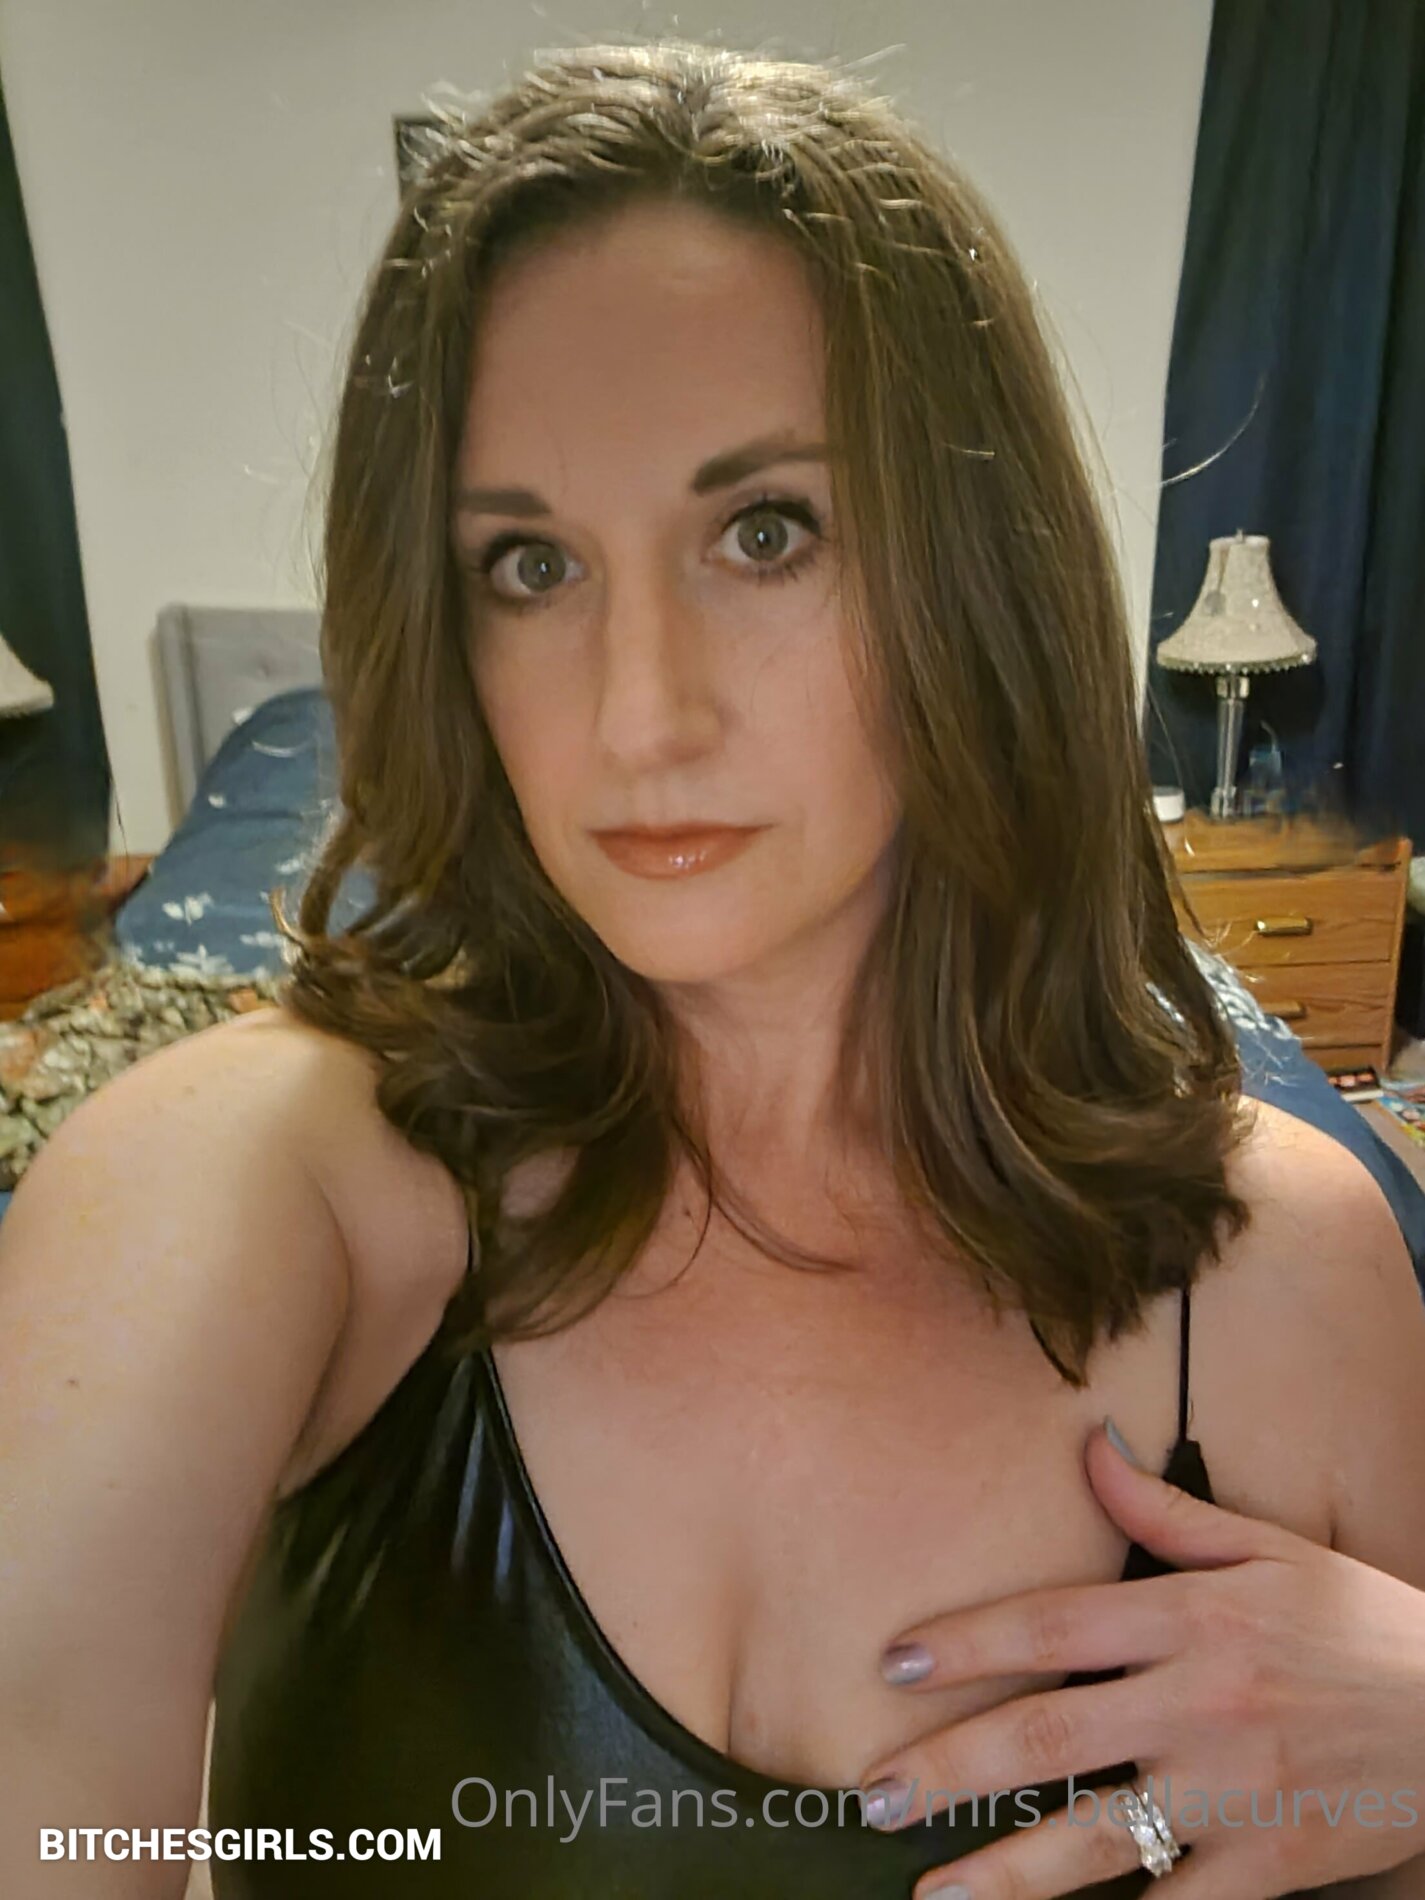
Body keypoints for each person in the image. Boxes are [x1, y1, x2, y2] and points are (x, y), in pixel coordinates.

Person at [1, 34, 1423, 1900]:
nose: (639, 717)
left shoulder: (1287, 1270)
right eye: (529, 566)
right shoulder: (245, 1182)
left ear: (971, 576)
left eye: (765, 533)